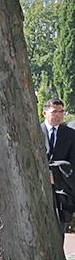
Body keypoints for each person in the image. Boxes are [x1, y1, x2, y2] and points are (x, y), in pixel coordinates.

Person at [42, 99, 75, 237]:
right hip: (38, 187)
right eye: (54, 111)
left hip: (61, 189)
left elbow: (73, 163)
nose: (59, 115)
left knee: (58, 229)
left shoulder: (70, 134)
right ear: (45, 113)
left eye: (61, 111)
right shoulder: (35, 132)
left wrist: (55, 176)